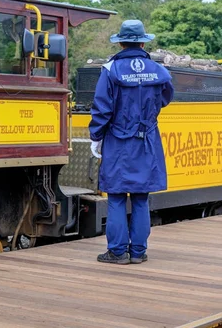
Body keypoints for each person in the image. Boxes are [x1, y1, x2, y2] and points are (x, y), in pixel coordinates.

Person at [89, 20, 174, 265]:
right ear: (143, 41)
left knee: (116, 195)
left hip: (118, 140)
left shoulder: (111, 69)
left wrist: (96, 136)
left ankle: (117, 252)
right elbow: (166, 97)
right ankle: (138, 252)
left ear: (121, 42)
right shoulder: (157, 70)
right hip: (147, 139)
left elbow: (102, 108)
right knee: (140, 196)